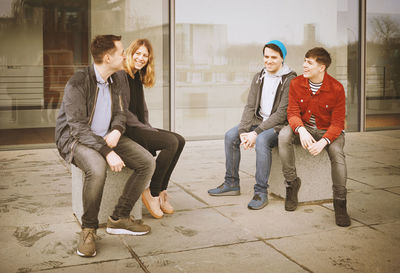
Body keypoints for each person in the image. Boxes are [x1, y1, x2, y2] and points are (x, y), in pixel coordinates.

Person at [55, 35, 156, 257]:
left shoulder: (118, 79)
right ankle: (89, 229)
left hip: (108, 136)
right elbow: (77, 128)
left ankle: (119, 217)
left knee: (147, 162)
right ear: (108, 57)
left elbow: (121, 112)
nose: (125, 55)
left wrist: (118, 130)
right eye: (121, 52)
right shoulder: (78, 82)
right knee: (97, 167)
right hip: (76, 140)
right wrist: (107, 151)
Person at [208, 40, 296, 210]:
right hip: (257, 122)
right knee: (230, 136)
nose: (268, 60)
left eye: (274, 57)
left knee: (262, 141)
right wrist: (243, 131)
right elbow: (249, 106)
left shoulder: (290, 80)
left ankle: (260, 191)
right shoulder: (259, 76)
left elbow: (281, 114)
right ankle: (231, 182)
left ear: (282, 59)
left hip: (278, 126)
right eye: (266, 56)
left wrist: (255, 133)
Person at [278, 47, 351, 227]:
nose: (304, 65)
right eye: (304, 61)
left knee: (337, 153)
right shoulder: (296, 83)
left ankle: (340, 202)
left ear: (322, 67)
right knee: (283, 135)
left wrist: (324, 141)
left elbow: (338, 123)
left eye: (309, 62)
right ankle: (291, 183)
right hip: (306, 128)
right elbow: (292, 113)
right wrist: (301, 130)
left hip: (329, 132)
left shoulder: (336, 88)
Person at [122, 39, 185, 219]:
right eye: (138, 53)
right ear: (130, 53)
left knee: (179, 139)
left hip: (137, 126)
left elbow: (142, 110)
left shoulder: (136, 76)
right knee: (170, 143)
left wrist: (148, 127)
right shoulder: (122, 75)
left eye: (145, 55)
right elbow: (124, 113)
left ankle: (161, 191)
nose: (141, 58)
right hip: (126, 130)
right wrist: (145, 129)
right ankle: (152, 193)